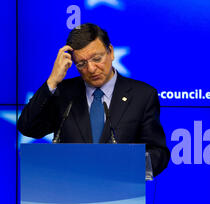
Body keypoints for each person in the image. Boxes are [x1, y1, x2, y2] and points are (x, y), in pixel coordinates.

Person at [18, 23, 170, 177]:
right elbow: (28, 127)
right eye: (82, 64)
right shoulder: (64, 93)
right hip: (68, 194)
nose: (91, 69)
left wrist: (128, 168)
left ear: (110, 52)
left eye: (97, 59)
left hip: (121, 193)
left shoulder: (142, 95)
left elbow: (159, 152)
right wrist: (52, 82)